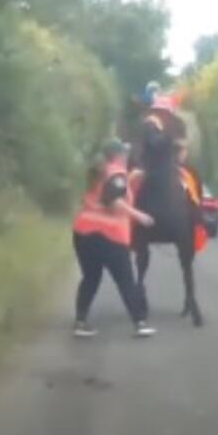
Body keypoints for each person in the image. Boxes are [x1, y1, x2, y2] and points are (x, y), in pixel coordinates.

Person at [72, 138, 157, 338]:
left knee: (90, 278)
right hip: (108, 236)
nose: (128, 156)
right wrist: (140, 216)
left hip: (84, 233)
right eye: (125, 153)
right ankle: (139, 323)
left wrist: (132, 178)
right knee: (126, 280)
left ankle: (80, 321)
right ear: (118, 156)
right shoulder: (116, 173)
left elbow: (111, 189)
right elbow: (113, 200)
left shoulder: (101, 172)